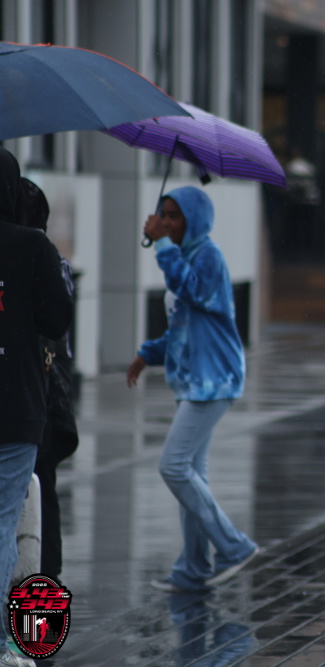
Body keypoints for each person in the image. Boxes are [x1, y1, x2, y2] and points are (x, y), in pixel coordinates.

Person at [127, 186, 259, 593]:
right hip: (193, 381)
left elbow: (194, 290)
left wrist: (161, 245)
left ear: (194, 220)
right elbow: (182, 328)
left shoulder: (208, 257)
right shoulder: (185, 256)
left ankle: (234, 546)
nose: (167, 222)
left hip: (214, 379)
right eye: (163, 215)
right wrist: (148, 354)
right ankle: (194, 569)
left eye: (175, 216)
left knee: (173, 466)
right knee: (191, 475)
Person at [0, 147, 74, 667]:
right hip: (17, 407)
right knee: (7, 522)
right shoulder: (32, 245)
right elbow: (56, 320)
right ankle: (11, 643)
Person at [15, 178, 79, 581]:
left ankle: (40, 589)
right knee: (42, 497)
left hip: (36, 396)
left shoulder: (35, 257)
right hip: (45, 396)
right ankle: (44, 587)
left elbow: (53, 326)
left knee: (35, 497)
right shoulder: (49, 258)